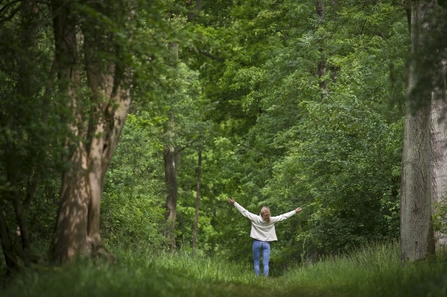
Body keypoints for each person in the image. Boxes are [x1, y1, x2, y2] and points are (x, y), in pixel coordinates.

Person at [227, 198, 302, 277]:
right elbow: (283, 216)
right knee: (265, 263)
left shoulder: (255, 218)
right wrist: (294, 211)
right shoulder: (271, 220)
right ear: (268, 214)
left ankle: (257, 279)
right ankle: (265, 279)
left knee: (256, 262)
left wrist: (235, 203)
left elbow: (244, 211)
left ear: (261, 213)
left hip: (256, 243)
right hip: (266, 244)